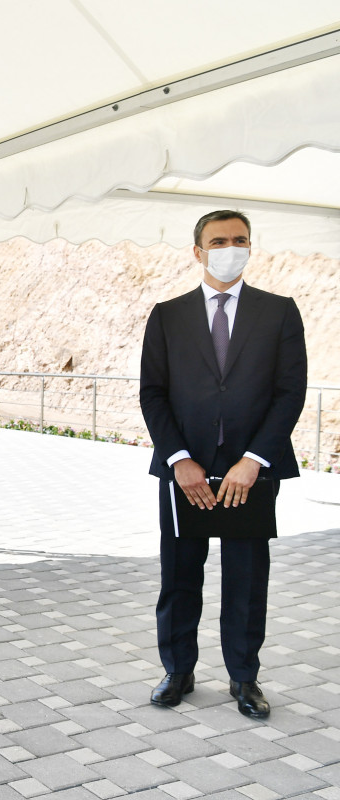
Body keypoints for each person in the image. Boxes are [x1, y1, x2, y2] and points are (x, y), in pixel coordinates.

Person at [140, 210, 307, 718]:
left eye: (239, 239)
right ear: (198, 251)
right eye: (218, 241)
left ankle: (244, 678)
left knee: (246, 579)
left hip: (250, 472)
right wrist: (179, 459)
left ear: (250, 247)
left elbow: (289, 392)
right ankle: (178, 671)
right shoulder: (167, 315)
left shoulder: (279, 312)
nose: (230, 248)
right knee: (178, 575)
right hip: (184, 472)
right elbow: (153, 393)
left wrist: (254, 460)